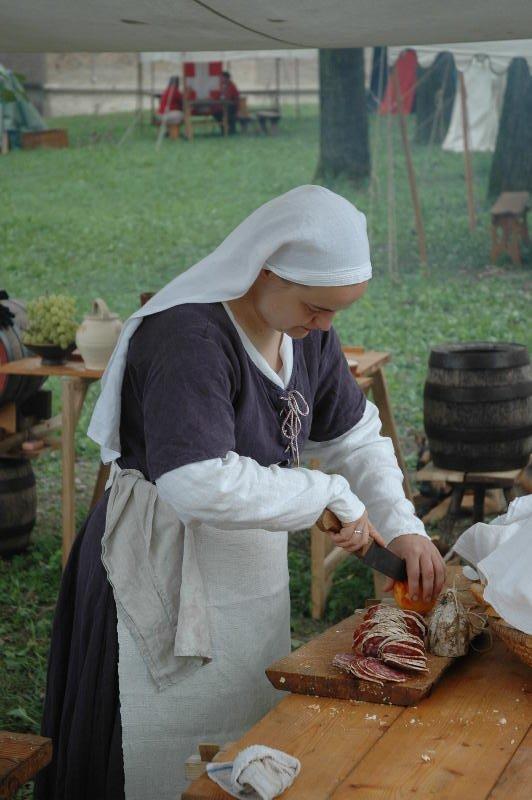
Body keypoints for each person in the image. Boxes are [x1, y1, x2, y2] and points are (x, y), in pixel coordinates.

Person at [35, 185, 445, 800]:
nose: (326, 326)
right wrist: (322, 493)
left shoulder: (303, 332)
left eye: (335, 312)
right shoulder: (187, 335)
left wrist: (402, 524)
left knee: (246, 732)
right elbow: (194, 480)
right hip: (158, 564)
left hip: (247, 567)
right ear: (265, 270)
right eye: (317, 307)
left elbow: (355, 436)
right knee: (162, 755)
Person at [213, 70, 240, 134]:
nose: (221, 79)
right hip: (222, 106)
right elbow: (217, 97)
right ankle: (224, 128)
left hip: (231, 107)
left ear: (227, 78)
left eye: (222, 78)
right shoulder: (220, 86)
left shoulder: (232, 86)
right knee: (216, 112)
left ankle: (228, 130)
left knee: (225, 114)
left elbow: (236, 98)